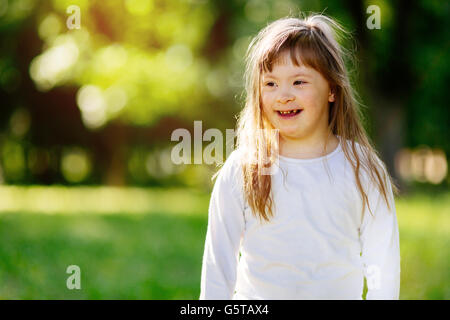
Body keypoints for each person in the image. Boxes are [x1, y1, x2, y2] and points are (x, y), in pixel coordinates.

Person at [199, 14, 400, 300]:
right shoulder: (243, 168)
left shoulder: (362, 168)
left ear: (332, 88)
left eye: (299, 82)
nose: (283, 95)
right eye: (270, 84)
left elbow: (384, 267)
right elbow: (218, 267)